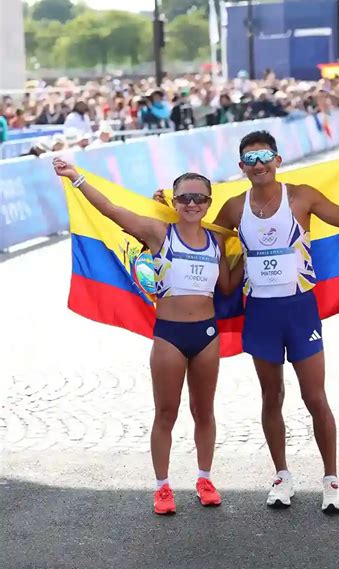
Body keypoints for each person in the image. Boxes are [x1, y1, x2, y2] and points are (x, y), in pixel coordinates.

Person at [156, 131, 339, 512]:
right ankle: (282, 475)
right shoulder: (235, 207)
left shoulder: (301, 196)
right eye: (251, 159)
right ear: (241, 167)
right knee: (271, 396)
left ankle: (331, 480)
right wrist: (164, 209)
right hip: (260, 313)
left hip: (300, 309)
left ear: (278, 160)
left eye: (265, 156)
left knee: (314, 397)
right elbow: (198, 226)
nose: (259, 164)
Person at [52, 159, 243, 515]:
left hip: (207, 334)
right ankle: (162, 486)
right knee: (166, 413)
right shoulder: (159, 233)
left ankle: (204, 478)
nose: (191, 204)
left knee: (204, 410)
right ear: (173, 201)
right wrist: (77, 177)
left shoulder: (217, 240)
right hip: (169, 335)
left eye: (199, 198)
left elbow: (228, 286)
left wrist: (248, 254)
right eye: (184, 197)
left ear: (209, 202)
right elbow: (111, 210)